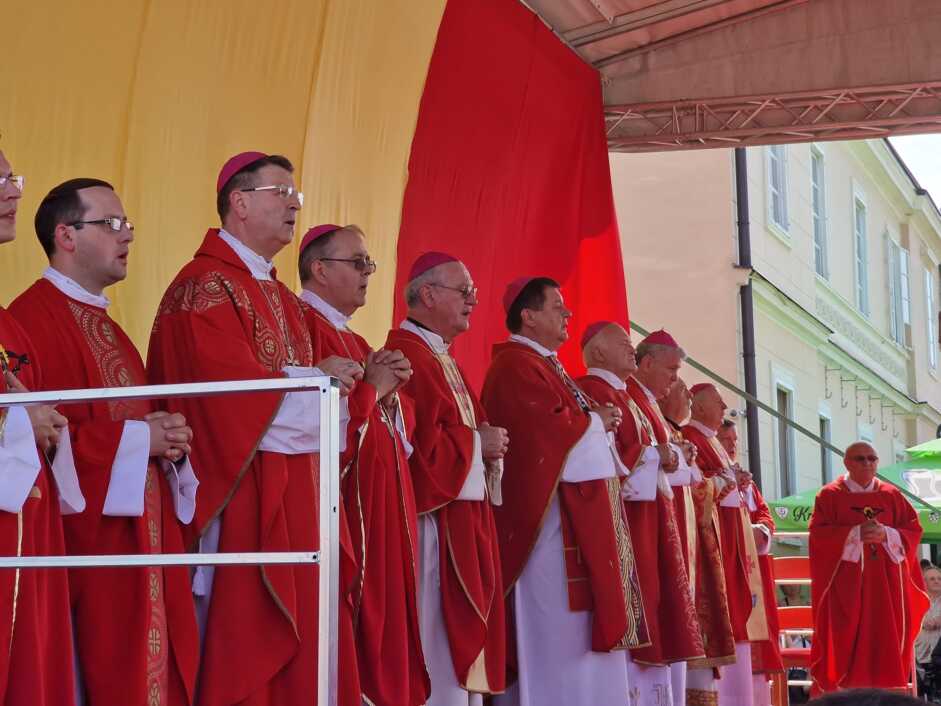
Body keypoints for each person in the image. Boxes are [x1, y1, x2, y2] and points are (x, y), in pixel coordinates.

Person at [148, 152, 357, 706]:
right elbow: (228, 402)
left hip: (294, 494)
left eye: (296, 195)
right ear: (238, 203)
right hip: (240, 500)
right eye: (279, 192)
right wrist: (318, 382)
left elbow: (309, 410)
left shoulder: (281, 297)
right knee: (247, 650)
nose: (292, 203)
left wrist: (326, 385)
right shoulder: (204, 287)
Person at [10, 178, 200, 705]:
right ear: (66, 235)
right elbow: (40, 443)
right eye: (112, 224)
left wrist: (166, 441)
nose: (128, 236)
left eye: (128, 225)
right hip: (92, 551)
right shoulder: (30, 320)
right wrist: (141, 439)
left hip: (141, 541)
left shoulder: (112, 329)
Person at [482, 279, 647, 706]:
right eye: (558, 307)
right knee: (554, 649)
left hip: (572, 528)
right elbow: (543, 437)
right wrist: (595, 422)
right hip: (547, 536)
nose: (567, 315)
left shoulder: (548, 365)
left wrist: (594, 421)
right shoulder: (516, 365)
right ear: (528, 315)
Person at [296, 224, 429, 706]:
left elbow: (387, 418)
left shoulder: (353, 337)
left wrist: (391, 397)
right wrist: (375, 390)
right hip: (343, 511)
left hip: (381, 507)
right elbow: (320, 424)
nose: (368, 272)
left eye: (369, 263)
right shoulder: (303, 326)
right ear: (319, 269)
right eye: (358, 262)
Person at [384, 252, 507, 705]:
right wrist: (479, 445)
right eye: (464, 291)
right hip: (431, 530)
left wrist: (485, 446)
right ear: (428, 294)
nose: (473, 300)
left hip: (459, 520)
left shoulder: (440, 355)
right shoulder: (409, 355)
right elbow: (419, 450)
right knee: (434, 644)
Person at [577, 324, 715, 706]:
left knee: (660, 608)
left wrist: (670, 457)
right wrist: (661, 456)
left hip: (654, 519)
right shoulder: (599, 391)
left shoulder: (631, 398)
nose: (675, 381)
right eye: (671, 371)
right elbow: (618, 456)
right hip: (631, 525)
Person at [0, 148, 77, 706]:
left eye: (12, 179)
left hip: (24, 517)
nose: (13, 193)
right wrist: (18, 419)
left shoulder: (6, 323)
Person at [809, 441, 929, 694]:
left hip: (885, 586)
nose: (867, 463)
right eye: (860, 458)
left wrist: (886, 534)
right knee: (845, 643)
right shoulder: (830, 496)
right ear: (847, 462)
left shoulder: (892, 495)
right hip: (846, 586)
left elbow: (913, 530)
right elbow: (819, 535)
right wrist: (855, 534)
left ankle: (886, 695)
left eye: (872, 459)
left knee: (885, 639)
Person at [682, 383, 769, 706]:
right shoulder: (692, 437)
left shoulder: (708, 441)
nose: (724, 409)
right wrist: (725, 480)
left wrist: (735, 480)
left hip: (733, 546)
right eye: (718, 403)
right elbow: (696, 491)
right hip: (715, 548)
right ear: (700, 406)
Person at [717, 419, 784, 706]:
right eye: (726, 438)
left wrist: (764, 531)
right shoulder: (714, 474)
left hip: (752, 568)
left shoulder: (747, 482)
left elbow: (764, 514)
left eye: (735, 440)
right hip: (728, 569)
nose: (732, 445)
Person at [916, 566, 941, 699]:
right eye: (932, 579)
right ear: (924, 582)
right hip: (920, 658)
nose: (937, 581)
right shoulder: (918, 599)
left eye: (939, 578)